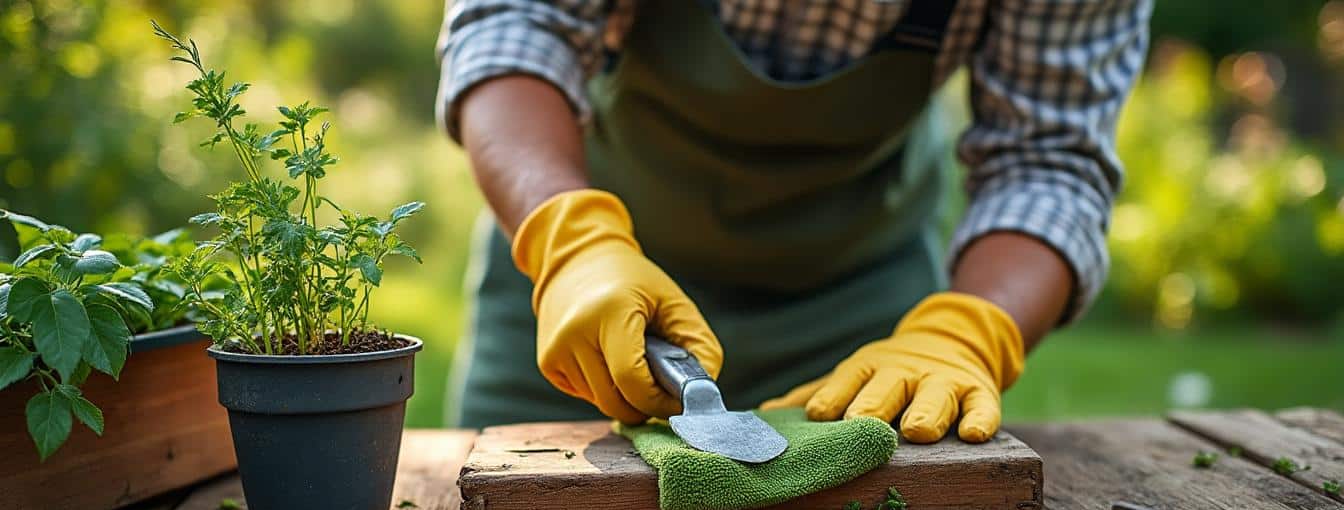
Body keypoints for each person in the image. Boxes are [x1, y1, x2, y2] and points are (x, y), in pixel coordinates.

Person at [437, 0, 1151, 441]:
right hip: (585, 301)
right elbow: (514, 24)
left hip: (860, 327)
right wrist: (570, 242)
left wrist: (968, 331)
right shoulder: (574, 260)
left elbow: (1048, 160)